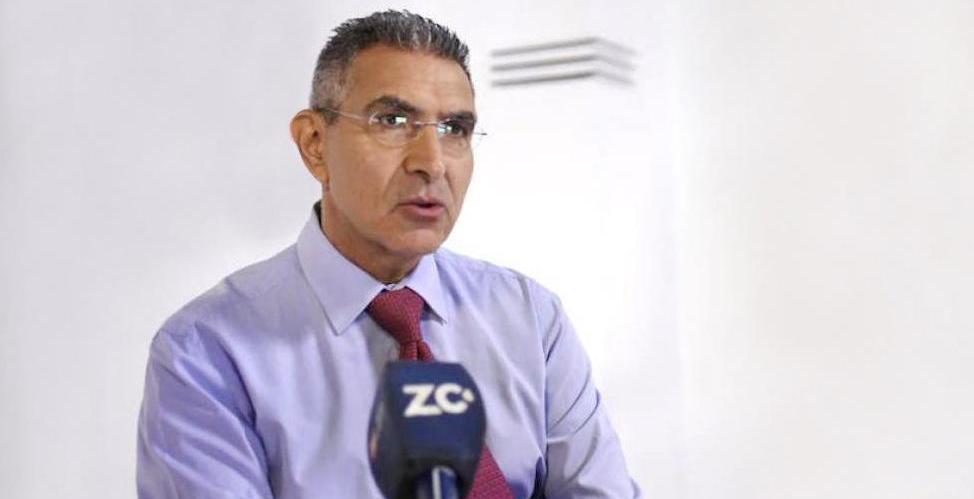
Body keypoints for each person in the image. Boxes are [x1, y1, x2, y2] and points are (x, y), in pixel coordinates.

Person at [136, 9, 640, 499]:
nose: (432, 163)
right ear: (314, 143)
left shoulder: (531, 320)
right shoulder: (207, 352)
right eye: (393, 120)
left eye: (454, 129)